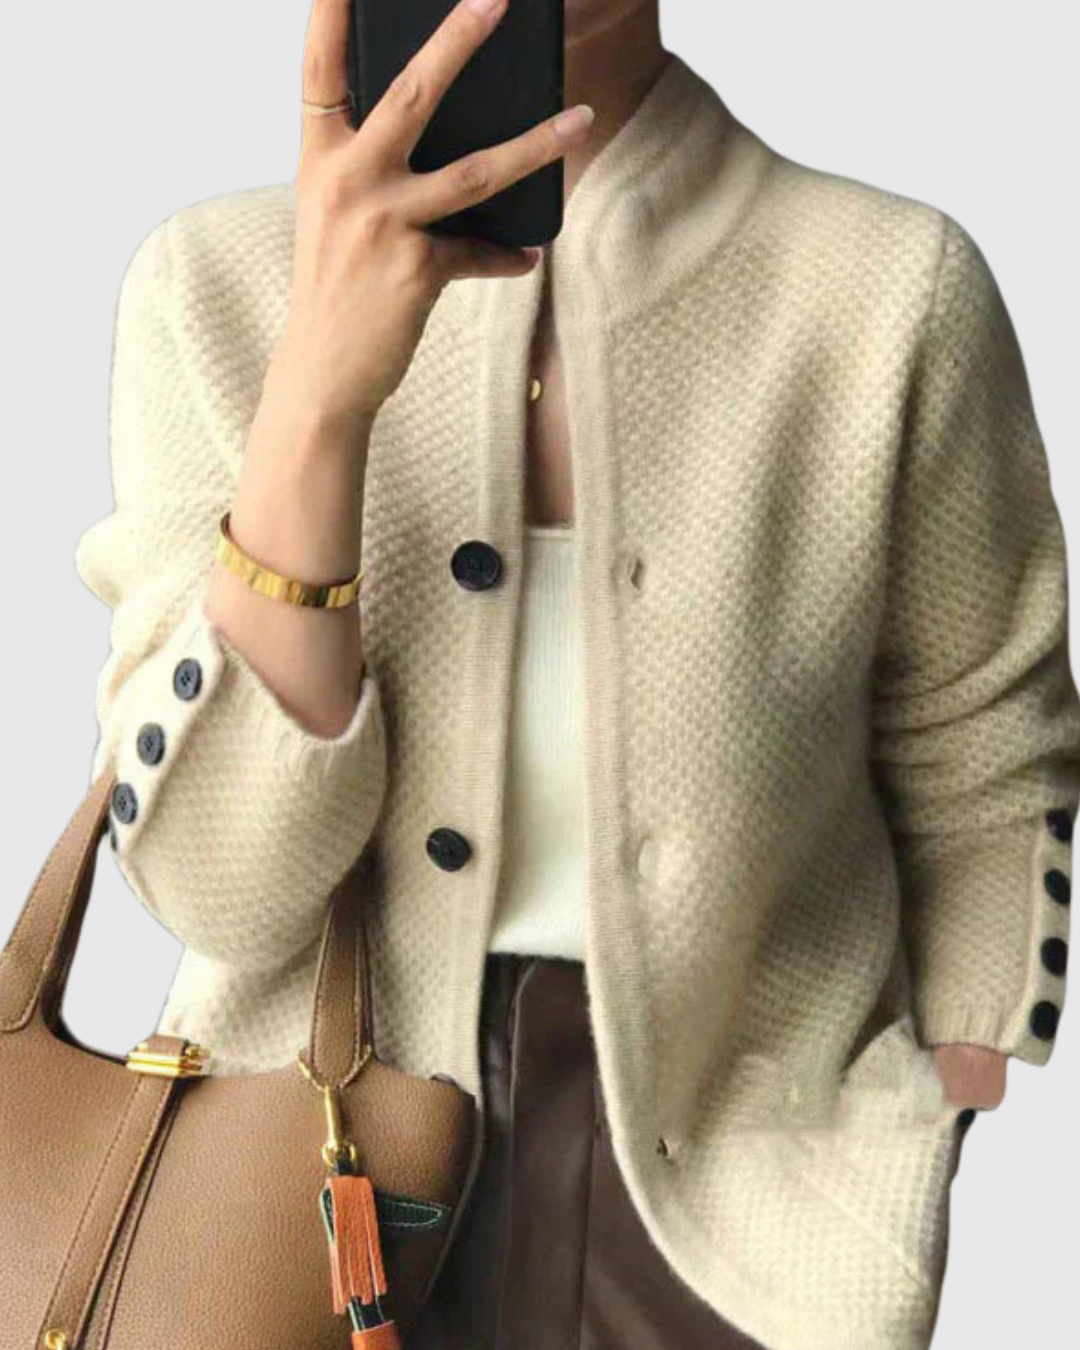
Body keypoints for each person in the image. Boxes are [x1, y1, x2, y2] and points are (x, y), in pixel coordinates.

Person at [72, 1, 1080, 1347]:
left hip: (759, 1197)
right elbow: (221, 891)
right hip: (306, 1197)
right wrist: (315, 391)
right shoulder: (212, 284)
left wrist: (938, 1104)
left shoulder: (890, 286)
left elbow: (982, 733)